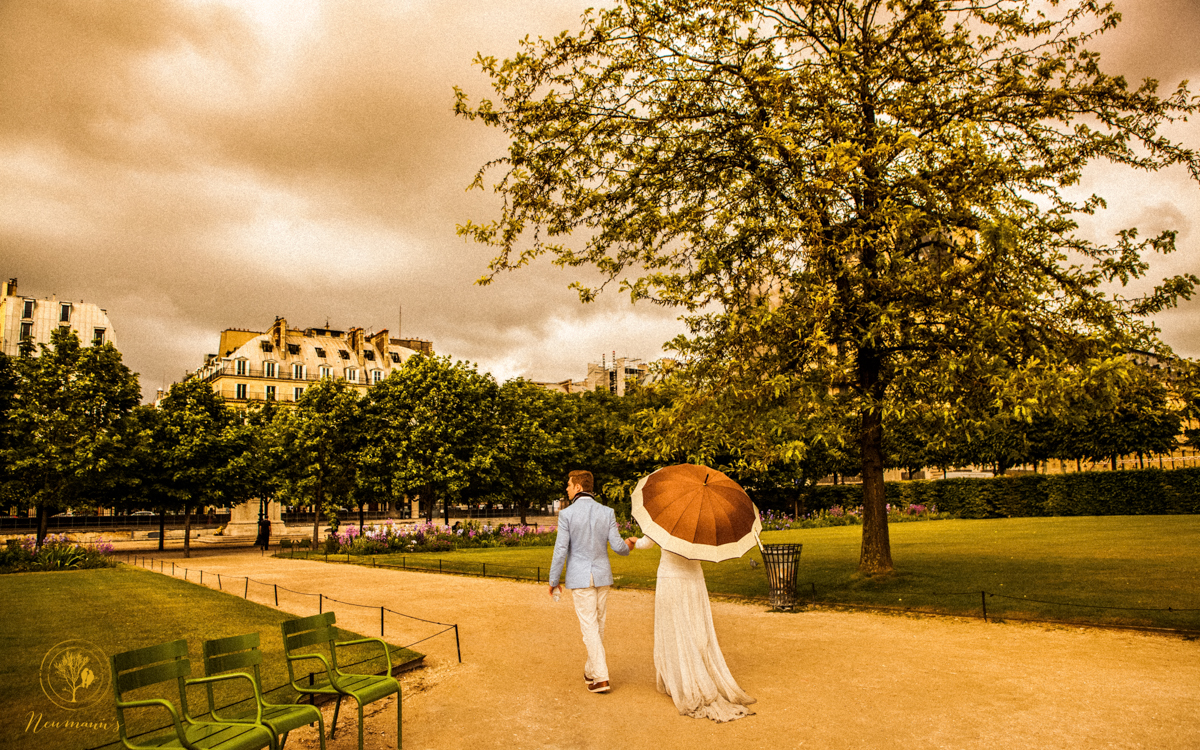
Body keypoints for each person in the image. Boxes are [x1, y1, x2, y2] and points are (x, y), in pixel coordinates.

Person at [632, 536, 755, 722]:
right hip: (695, 580)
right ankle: (690, 676)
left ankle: (680, 681)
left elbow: (644, 543)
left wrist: (633, 540)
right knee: (695, 629)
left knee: (674, 629)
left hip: (671, 578)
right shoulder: (700, 526)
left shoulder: (666, 521)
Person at [548, 470, 637, 694]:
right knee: (598, 625)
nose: (566, 488)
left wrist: (553, 580)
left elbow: (560, 550)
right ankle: (590, 671)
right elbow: (618, 548)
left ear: (578, 487)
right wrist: (629, 545)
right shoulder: (607, 512)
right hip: (602, 576)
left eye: (569, 484)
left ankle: (601, 677)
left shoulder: (567, 515)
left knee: (590, 627)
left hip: (580, 578)